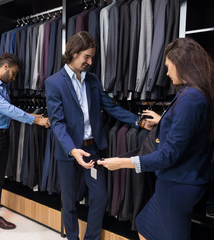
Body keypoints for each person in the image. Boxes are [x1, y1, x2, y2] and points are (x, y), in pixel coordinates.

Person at [98, 37, 214, 240]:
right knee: (144, 225)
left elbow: (168, 156)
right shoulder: (192, 93)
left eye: (168, 66)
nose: (166, 73)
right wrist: (162, 121)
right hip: (179, 181)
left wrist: (122, 162)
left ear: (182, 64)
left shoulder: (191, 98)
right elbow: (188, 130)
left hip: (178, 184)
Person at [45, 31, 142, 240]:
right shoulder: (54, 83)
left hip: (92, 149)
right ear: (73, 53)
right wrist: (72, 150)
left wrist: (139, 121)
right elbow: (57, 123)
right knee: (69, 201)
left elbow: (110, 107)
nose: (90, 61)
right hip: (69, 151)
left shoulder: (92, 80)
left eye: (91, 57)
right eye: (86, 57)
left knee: (100, 197)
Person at [0, 53, 50, 240]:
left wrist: (33, 115)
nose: (14, 78)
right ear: (6, 67)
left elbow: (7, 108)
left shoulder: (3, 86)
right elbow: (6, 109)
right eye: (14, 73)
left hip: (2, 135)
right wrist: (34, 120)